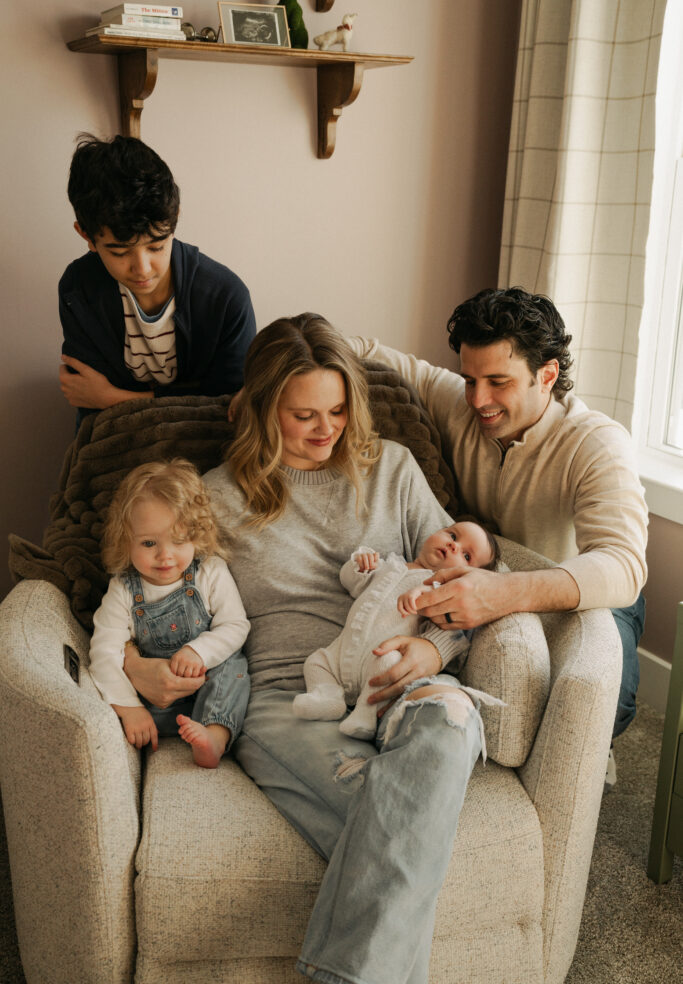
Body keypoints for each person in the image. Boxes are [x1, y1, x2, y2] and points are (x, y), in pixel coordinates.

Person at [121, 312, 487, 984]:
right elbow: (139, 587)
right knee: (401, 818)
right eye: (304, 415)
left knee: (451, 724)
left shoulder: (393, 469)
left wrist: (434, 654)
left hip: (400, 674)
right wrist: (130, 662)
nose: (327, 430)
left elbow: (466, 579)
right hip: (289, 696)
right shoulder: (215, 497)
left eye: (338, 411)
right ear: (263, 410)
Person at [348, 286, 648, 777]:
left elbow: (624, 565)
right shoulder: (458, 402)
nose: (478, 399)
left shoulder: (597, 442)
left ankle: (596, 753)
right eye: (470, 379)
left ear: (547, 375)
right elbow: (362, 350)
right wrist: (264, 389)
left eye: (497, 382)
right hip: (486, 574)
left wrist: (504, 593)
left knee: (603, 705)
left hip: (583, 590)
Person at [58, 134, 256, 422]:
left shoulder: (225, 297)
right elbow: (87, 401)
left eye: (156, 246)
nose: (142, 269)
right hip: (114, 437)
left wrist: (112, 397)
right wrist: (189, 394)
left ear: (174, 221)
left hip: (207, 440)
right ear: (86, 235)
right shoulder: (78, 289)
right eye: (120, 252)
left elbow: (232, 403)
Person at [90, 458, 250, 768]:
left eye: (178, 540)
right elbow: (104, 652)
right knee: (115, 670)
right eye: (149, 543)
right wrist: (129, 708)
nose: (165, 556)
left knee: (233, 667)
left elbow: (235, 625)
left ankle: (214, 738)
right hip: (155, 707)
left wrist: (198, 651)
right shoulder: (123, 589)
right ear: (125, 540)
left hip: (209, 691)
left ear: (197, 535)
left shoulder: (210, 571)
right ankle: (171, 724)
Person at [293, 517, 500, 741]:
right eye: (452, 535)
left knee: (389, 661)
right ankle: (327, 698)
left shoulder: (440, 591)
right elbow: (350, 582)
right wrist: (360, 566)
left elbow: (451, 631)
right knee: (316, 661)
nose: (453, 545)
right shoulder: (390, 565)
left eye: (466, 556)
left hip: (380, 659)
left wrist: (426, 593)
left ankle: (365, 714)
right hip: (342, 652)